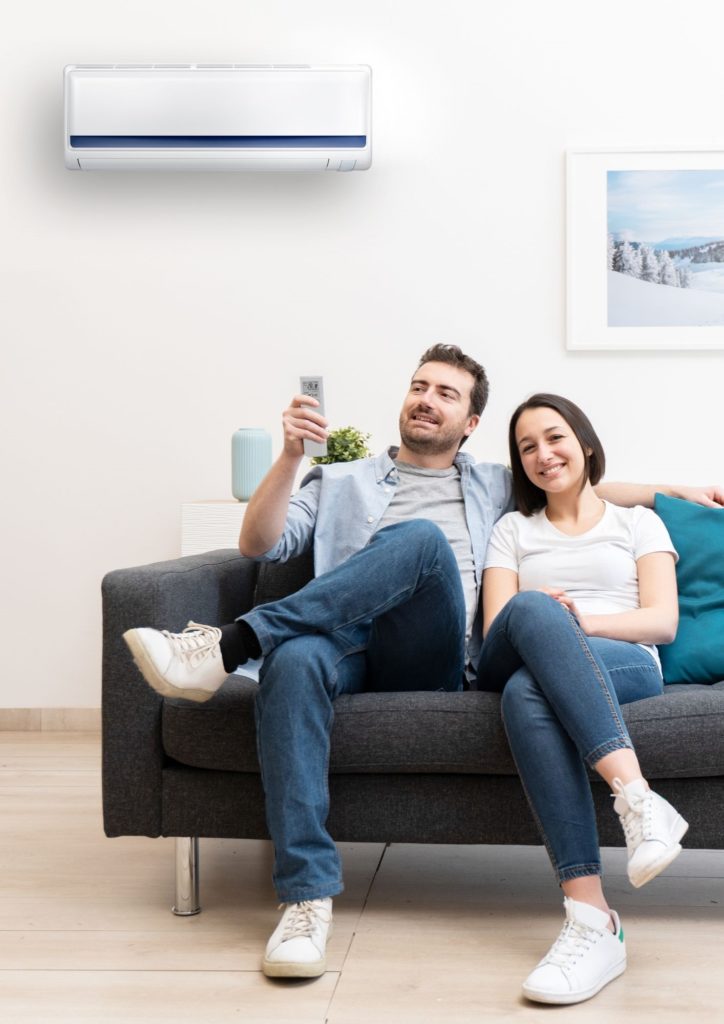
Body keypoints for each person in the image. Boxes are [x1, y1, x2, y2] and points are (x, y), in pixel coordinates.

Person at [123, 347, 723, 982]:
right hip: (338, 645)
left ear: (470, 424)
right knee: (295, 659)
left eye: (447, 394)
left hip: (429, 652)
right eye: (419, 386)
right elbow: (257, 545)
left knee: (418, 540)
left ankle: (230, 644)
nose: (427, 399)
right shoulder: (339, 479)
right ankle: (306, 899)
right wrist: (292, 456)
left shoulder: (494, 483)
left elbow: (576, 483)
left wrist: (671, 493)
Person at [475, 392, 688, 1006]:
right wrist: (549, 619)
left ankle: (592, 918)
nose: (543, 454)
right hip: (517, 649)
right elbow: (498, 628)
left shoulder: (638, 523)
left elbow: (662, 622)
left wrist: (584, 623)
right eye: (527, 447)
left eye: (555, 437)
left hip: (623, 662)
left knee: (527, 694)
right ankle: (638, 798)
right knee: (531, 612)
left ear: (585, 443)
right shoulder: (512, 530)